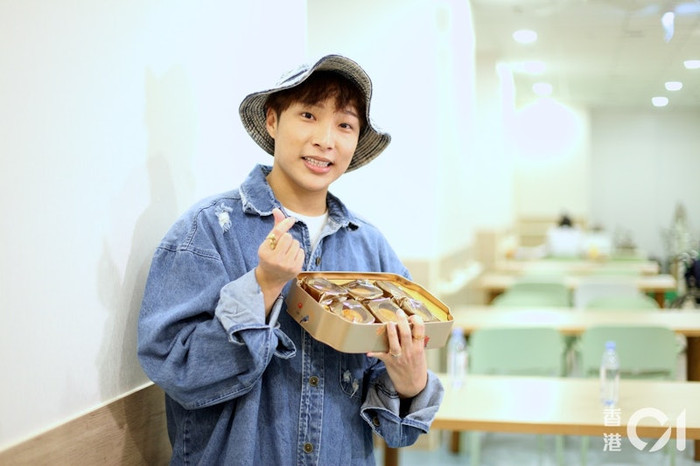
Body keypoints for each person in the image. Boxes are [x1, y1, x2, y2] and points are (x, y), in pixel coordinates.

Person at [137, 54, 444, 465]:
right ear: (272, 121)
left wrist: (410, 382)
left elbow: (396, 431)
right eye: (308, 115)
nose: (325, 140)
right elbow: (177, 371)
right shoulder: (208, 230)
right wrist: (263, 286)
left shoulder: (370, 248)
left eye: (345, 125)